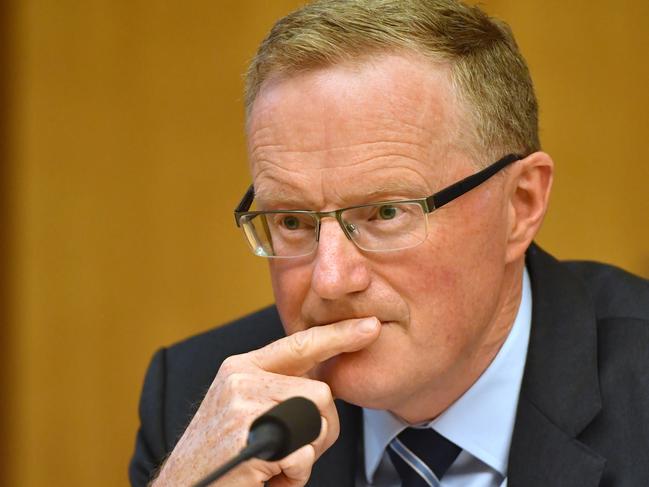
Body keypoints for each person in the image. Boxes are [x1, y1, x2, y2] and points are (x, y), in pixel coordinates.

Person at [129, 1, 649, 486]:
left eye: (384, 213)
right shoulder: (209, 408)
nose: (330, 279)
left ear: (520, 205)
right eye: (291, 220)